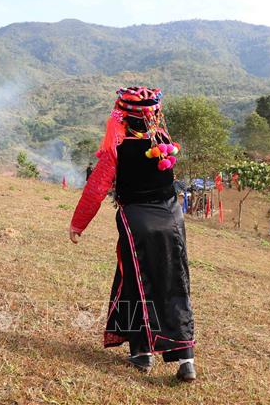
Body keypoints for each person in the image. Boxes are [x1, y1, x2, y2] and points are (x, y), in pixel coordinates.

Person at [68, 87, 196, 382]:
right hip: (172, 220)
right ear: (154, 115)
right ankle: (186, 359)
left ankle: (143, 353)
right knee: (174, 281)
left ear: (124, 116)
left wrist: (78, 224)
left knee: (138, 283)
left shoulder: (117, 149)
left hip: (137, 221)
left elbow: (96, 190)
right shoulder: (162, 142)